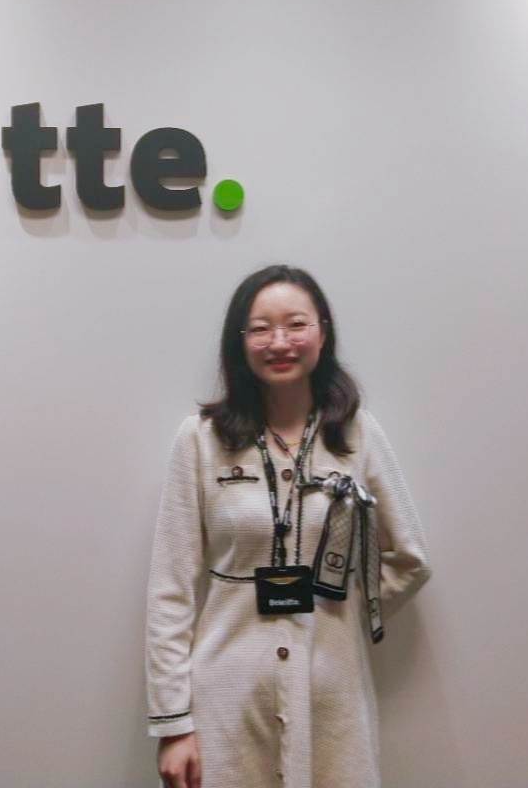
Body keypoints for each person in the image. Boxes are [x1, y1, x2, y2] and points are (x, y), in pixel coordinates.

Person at [145, 265, 432, 788]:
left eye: (296, 324)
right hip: (226, 700)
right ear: (240, 341)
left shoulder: (358, 434)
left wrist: (341, 605)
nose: (279, 342)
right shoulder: (201, 440)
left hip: (332, 699)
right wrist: (173, 723)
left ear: (322, 331)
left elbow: (409, 557)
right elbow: (171, 589)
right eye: (260, 328)